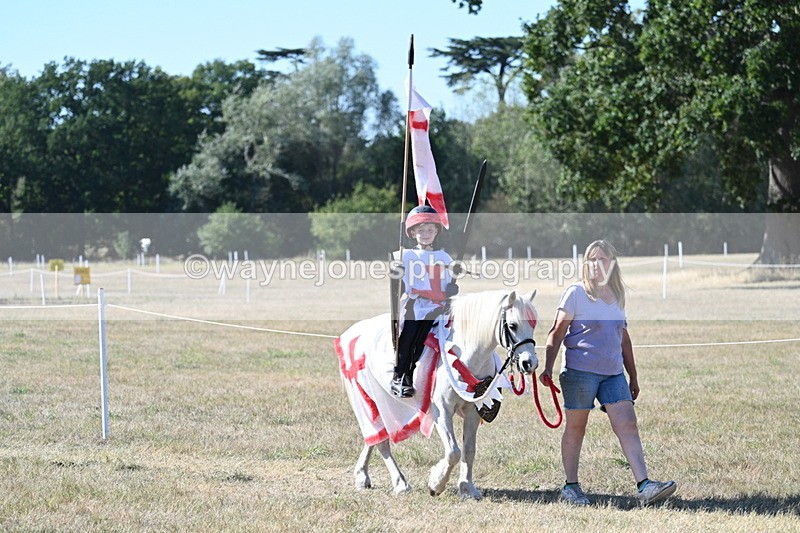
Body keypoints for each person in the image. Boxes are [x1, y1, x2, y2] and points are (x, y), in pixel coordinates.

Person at [539, 239, 677, 506]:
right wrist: (547, 367)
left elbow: (623, 339)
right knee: (577, 428)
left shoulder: (617, 295)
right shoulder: (575, 293)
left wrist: (633, 375)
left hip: (613, 373)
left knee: (627, 423)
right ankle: (571, 487)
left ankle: (645, 486)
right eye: (591, 259)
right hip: (580, 372)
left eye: (601, 259)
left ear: (612, 264)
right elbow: (556, 333)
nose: (595, 264)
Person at [390, 205, 458, 398]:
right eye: (420, 230)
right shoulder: (405, 255)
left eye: (430, 229)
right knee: (411, 334)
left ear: (437, 231)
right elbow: (399, 282)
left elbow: (447, 283)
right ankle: (402, 375)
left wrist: (452, 288)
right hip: (417, 305)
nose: (426, 234)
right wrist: (396, 271)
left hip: (440, 306)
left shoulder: (444, 257)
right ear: (412, 233)